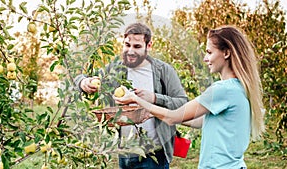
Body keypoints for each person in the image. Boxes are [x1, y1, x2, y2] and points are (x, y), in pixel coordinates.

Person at [114, 25, 265, 169]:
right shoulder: (238, 87)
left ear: (226, 53)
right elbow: (200, 121)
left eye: (209, 52)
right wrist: (151, 113)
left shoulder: (222, 90)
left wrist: (136, 99)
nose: (205, 59)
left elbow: (173, 117)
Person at [74, 22, 188, 169]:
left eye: (137, 46)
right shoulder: (115, 69)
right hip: (125, 152)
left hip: (154, 154)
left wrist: (154, 98)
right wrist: (83, 82)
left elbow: (183, 103)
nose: (130, 51)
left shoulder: (163, 71)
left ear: (149, 46)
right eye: (127, 45)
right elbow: (80, 79)